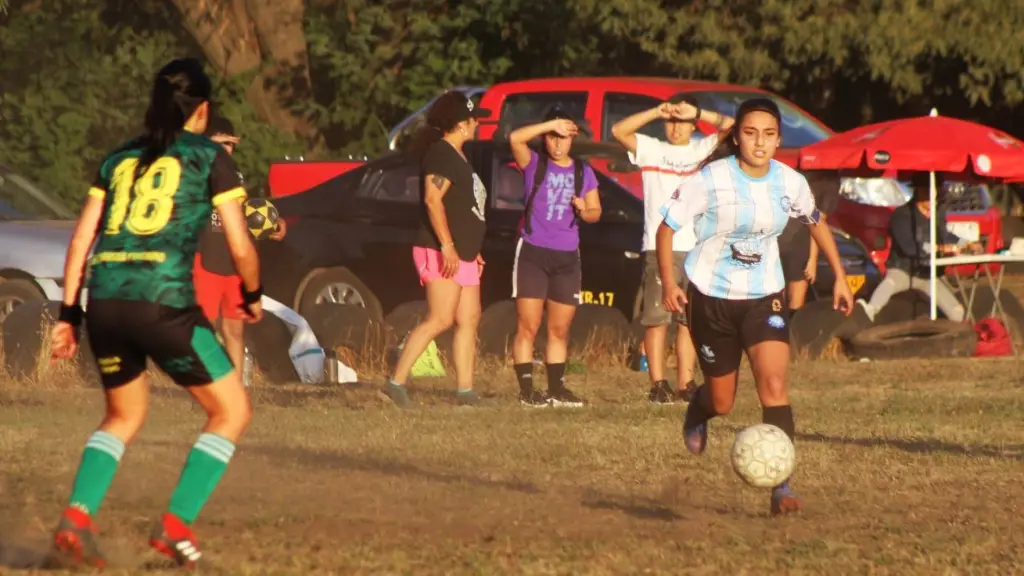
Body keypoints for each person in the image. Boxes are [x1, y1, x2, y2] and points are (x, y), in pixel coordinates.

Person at [47, 57, 262, 568]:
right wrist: (252, 295)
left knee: (125, 414)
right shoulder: (209, 156)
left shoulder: (117, 157)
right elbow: (241, 245)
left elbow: (81, 240)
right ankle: (175, 525)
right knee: (231, 411)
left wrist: (68, 317)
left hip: (105, 303)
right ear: (203, 109)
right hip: (161, 301)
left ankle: (76, 518)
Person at [655, 98, 855, 517]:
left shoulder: (790, 182)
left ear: (779, 139)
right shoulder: (710, 179)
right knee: (723, 401)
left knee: (775, 386)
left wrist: (837, 274)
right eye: (750, 133)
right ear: (736, 136)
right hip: (711, 298)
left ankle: (781, 486)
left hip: (765, 296)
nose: (759, 142)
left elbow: (815, 221)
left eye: (768, 134)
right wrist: (670, 283)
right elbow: (667, 228)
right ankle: (699, 409)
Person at [611, 94, 734, 404]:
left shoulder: (700, 148)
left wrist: (699, 111)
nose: (676, 128)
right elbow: (618, 131)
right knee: (657, 319)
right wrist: (656, 111)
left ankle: (685, 382)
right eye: (671, 122)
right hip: (658, 246)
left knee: (688, 321)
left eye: (682, 122)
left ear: (693, 125)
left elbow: (733, 128)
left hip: (696, 246)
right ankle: (658, 383)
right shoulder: (653, 149)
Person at [384, 90, 489, 408]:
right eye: (474, 120)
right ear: (461, 124)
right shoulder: (441, 154)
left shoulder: (458, 155)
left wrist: (472, 246)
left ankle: (465, 391)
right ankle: (395, 382)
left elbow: (464, 205)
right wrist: (447, 246)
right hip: (442, 250)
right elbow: (433, 200)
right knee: (441, 318)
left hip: (465, 252)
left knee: (469, 318)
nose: (477, 125)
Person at [507, 108, 602, 407]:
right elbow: (515, 139)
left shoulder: (583, 172)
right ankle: (526, 390)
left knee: (559, 328)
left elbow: (595, 212)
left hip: (567, 257)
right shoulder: (534, 163)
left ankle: (556, 388)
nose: (558, 144)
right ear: (545, 137)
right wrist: (549, 123)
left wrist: (583, 210)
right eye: (552, 137)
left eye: (564, 137)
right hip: (534, 252)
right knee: (529, 325)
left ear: (573, 138)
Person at [193, 116, 286, 386]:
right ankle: (204, 385)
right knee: (204, 327)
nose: (228, 150)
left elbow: (250, 214)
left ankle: (234, 387)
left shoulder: (235, 175)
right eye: (222, 143)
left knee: (234, 328)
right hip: (206, 261)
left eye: (231, 145)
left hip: (236, 263)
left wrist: (273, 225)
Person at [857, 174, 981, 322]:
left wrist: (967, 243)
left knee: (957, 314)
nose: (931, 195)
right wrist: (940, 249)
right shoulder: (901, 215)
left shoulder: (937, 213)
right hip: (903, 270)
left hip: (928, 274)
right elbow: (910, 246)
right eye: (926, 191)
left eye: (935, 190)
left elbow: (945, 235)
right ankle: (869, 310)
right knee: (890, 283)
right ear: (917, 191)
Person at [777, 172, 842, 310]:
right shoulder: (827, 182)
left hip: (796, 241)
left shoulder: (825, 180)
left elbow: (817, 223)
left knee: (788, 303)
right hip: (791, 241)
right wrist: (812, 259)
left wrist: (812, 259)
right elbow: (818, 222)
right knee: (782, 303)